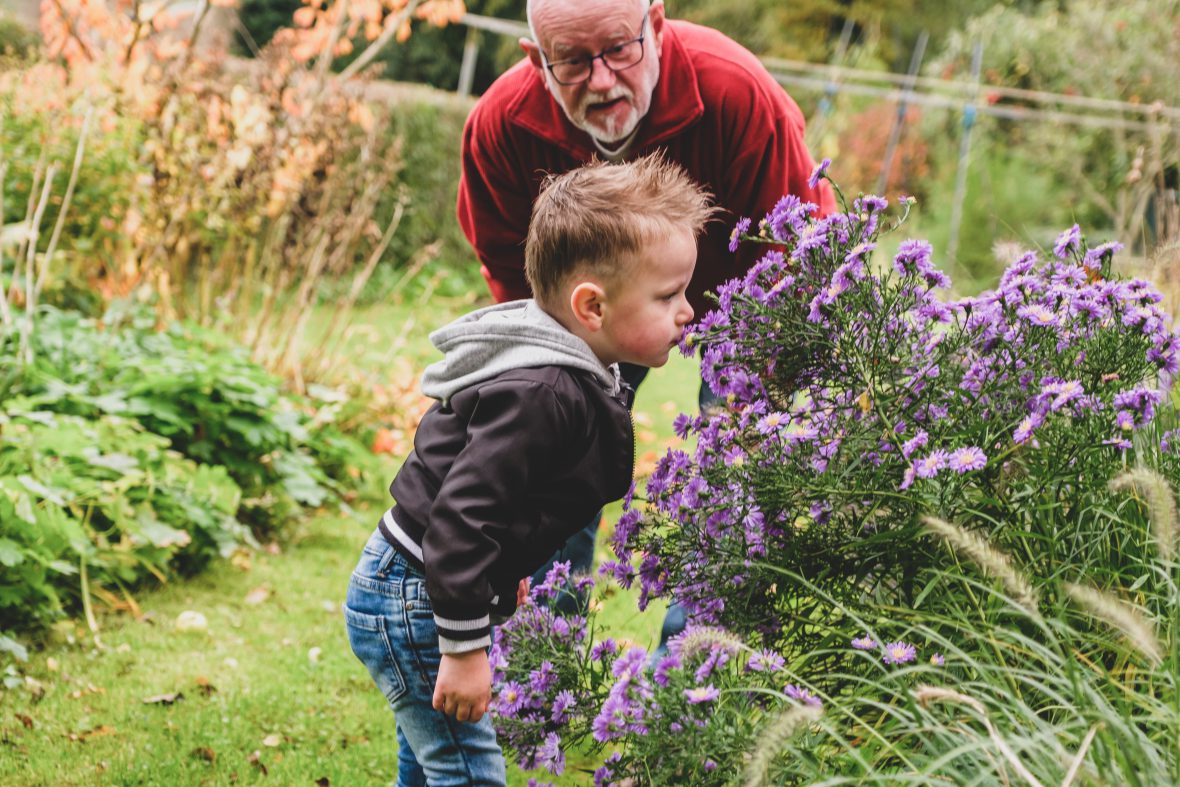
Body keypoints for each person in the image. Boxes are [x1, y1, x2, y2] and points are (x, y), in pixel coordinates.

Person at [344, 153, 715, 786]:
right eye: (667, 295)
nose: (687, 310)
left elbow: (506, 500)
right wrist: (463, 652)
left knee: (434, 756)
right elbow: (461, 518)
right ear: (591, 307)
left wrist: (507, 568)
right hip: (414, 594)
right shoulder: (542, 392)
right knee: (469, 770)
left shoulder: (572, 368)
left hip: (423, 583)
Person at [456, 0, 836, 598]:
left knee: (737, 481)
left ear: (655, 25)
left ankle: (697, 674)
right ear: (536, 61)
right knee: (548, 454)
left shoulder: (735, 92)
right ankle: (541, 662)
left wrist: (757, 396)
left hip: (748, 304)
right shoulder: (501, 126)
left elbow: (796, 251)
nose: (602, 81)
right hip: (587, 318)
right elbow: (513, 274)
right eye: (574, 62)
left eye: (619, 49)